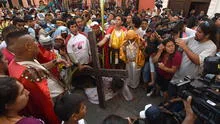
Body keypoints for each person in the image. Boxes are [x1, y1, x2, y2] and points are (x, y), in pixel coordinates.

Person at [7, 30, 65, 124]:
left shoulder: (19, 62)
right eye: (35, 41)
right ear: (28, 46)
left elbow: (38, 68)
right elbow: (44, 104)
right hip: (56, 110)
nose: (37, 44)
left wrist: (54, 62)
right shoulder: (26, 75)